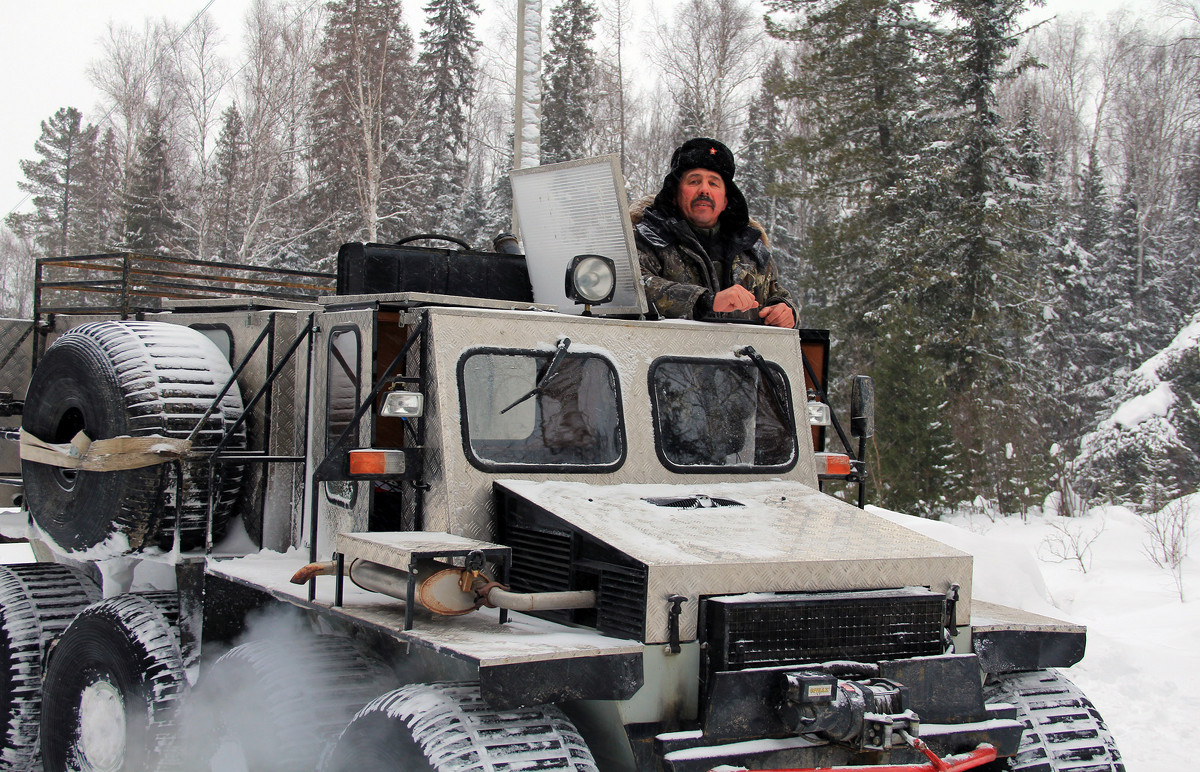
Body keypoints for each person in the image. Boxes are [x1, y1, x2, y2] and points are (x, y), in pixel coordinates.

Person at [633, 137, 798, 328]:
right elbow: (637, 288)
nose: (704, 190)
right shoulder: (646, 239)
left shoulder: (752, 250)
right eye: (694, 181)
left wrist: (785, 310)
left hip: (743, 357)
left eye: (714, 183)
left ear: (726, 200)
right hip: (664, 357)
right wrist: (705, 302)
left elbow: (776, 293)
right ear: (675, 196)